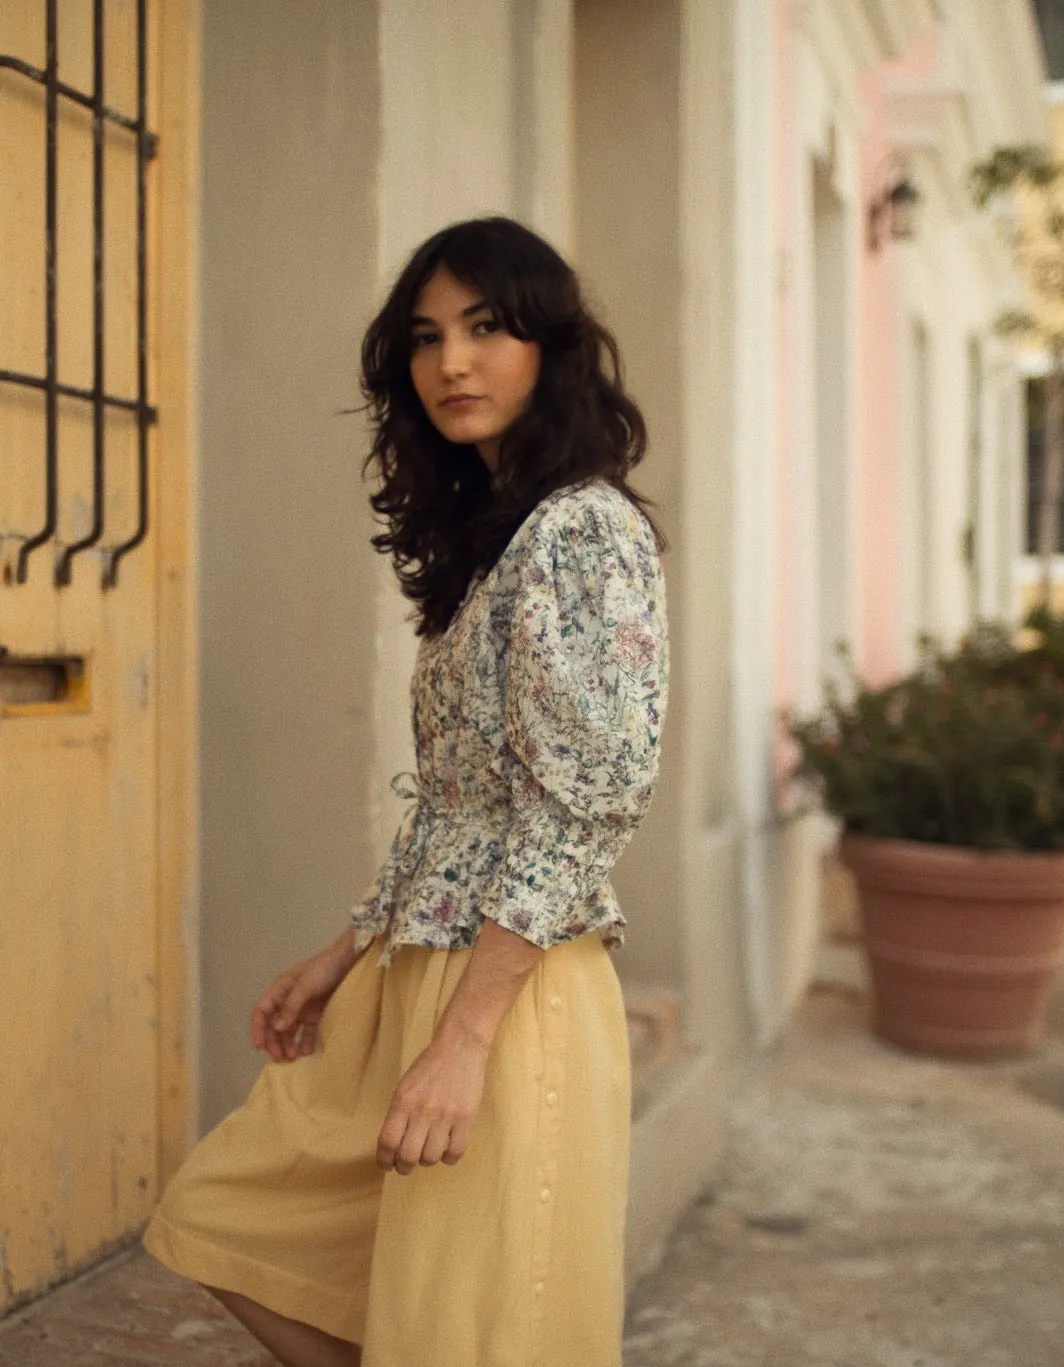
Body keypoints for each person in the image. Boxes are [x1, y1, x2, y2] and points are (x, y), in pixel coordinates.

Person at [142, 215, 670, 1367]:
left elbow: (587, 800)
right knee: (232, 1211)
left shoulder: (583, 529)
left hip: (510, 991)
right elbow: (459, 802)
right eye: (426, 337)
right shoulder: (502, 538)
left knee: (475, 1330)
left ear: (550, 348)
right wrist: (348, 946)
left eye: (486, 328)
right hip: (422, 964)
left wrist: (469, 1039)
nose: (452, 363)